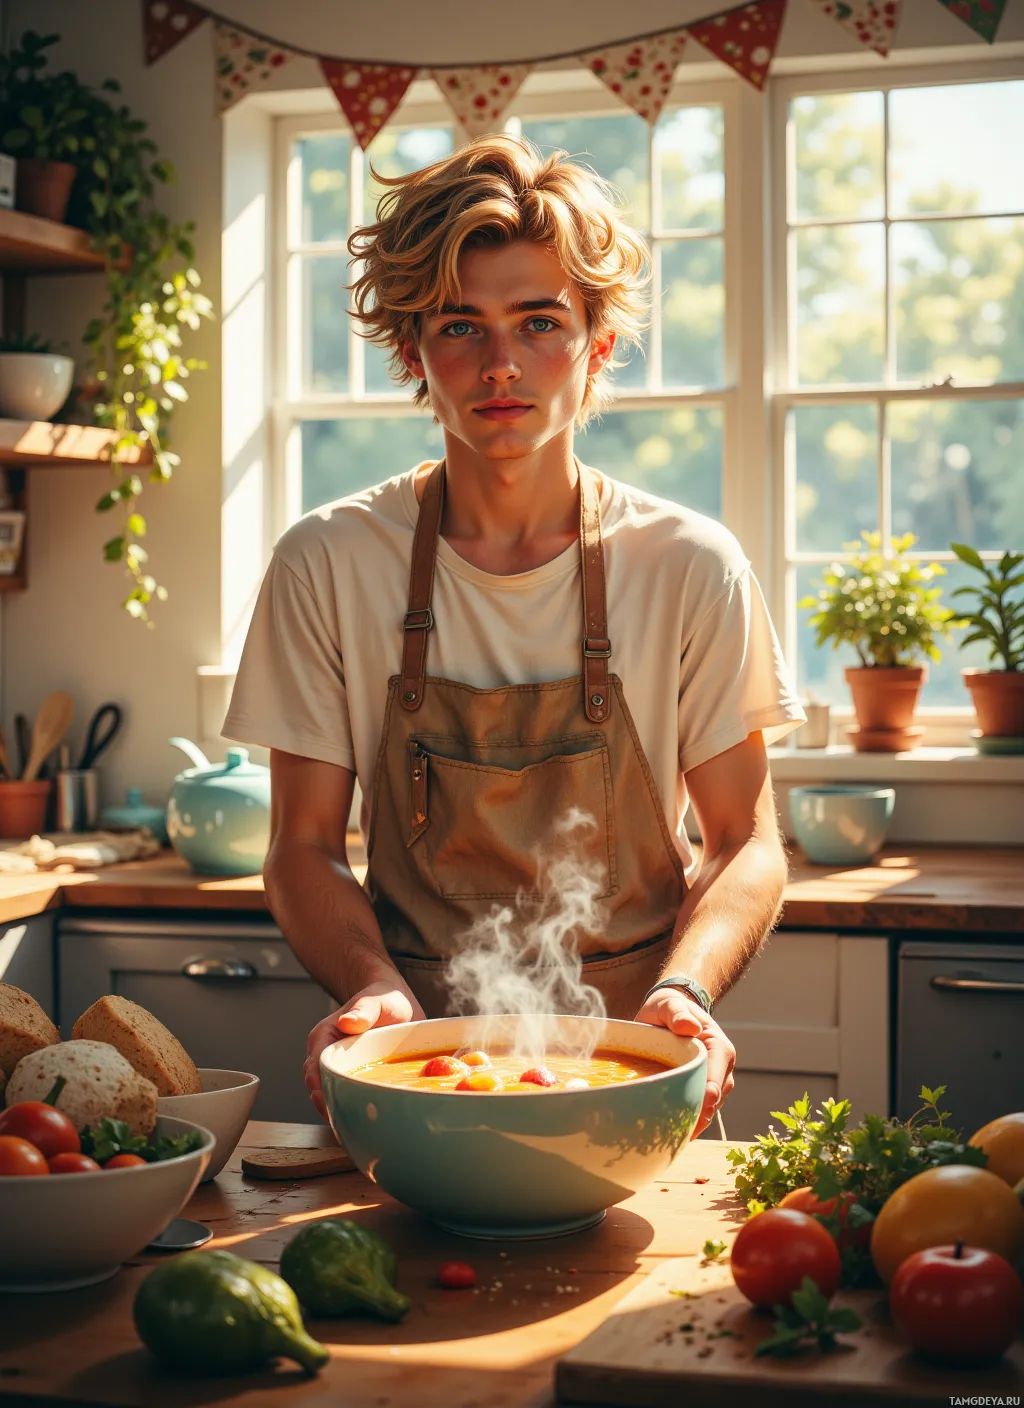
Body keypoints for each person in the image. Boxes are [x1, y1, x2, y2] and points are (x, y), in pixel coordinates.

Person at [223, 135, 804, 1137]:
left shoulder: (688, 564)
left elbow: (744, 842)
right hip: (409, 1081)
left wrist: (687, 994)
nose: (500, 364)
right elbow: (304, 846)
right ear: (413, 351)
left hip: (638, 1076)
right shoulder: (324, 563)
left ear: (597, 345)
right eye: (461, 326)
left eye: (539, 322)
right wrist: (370, 989)